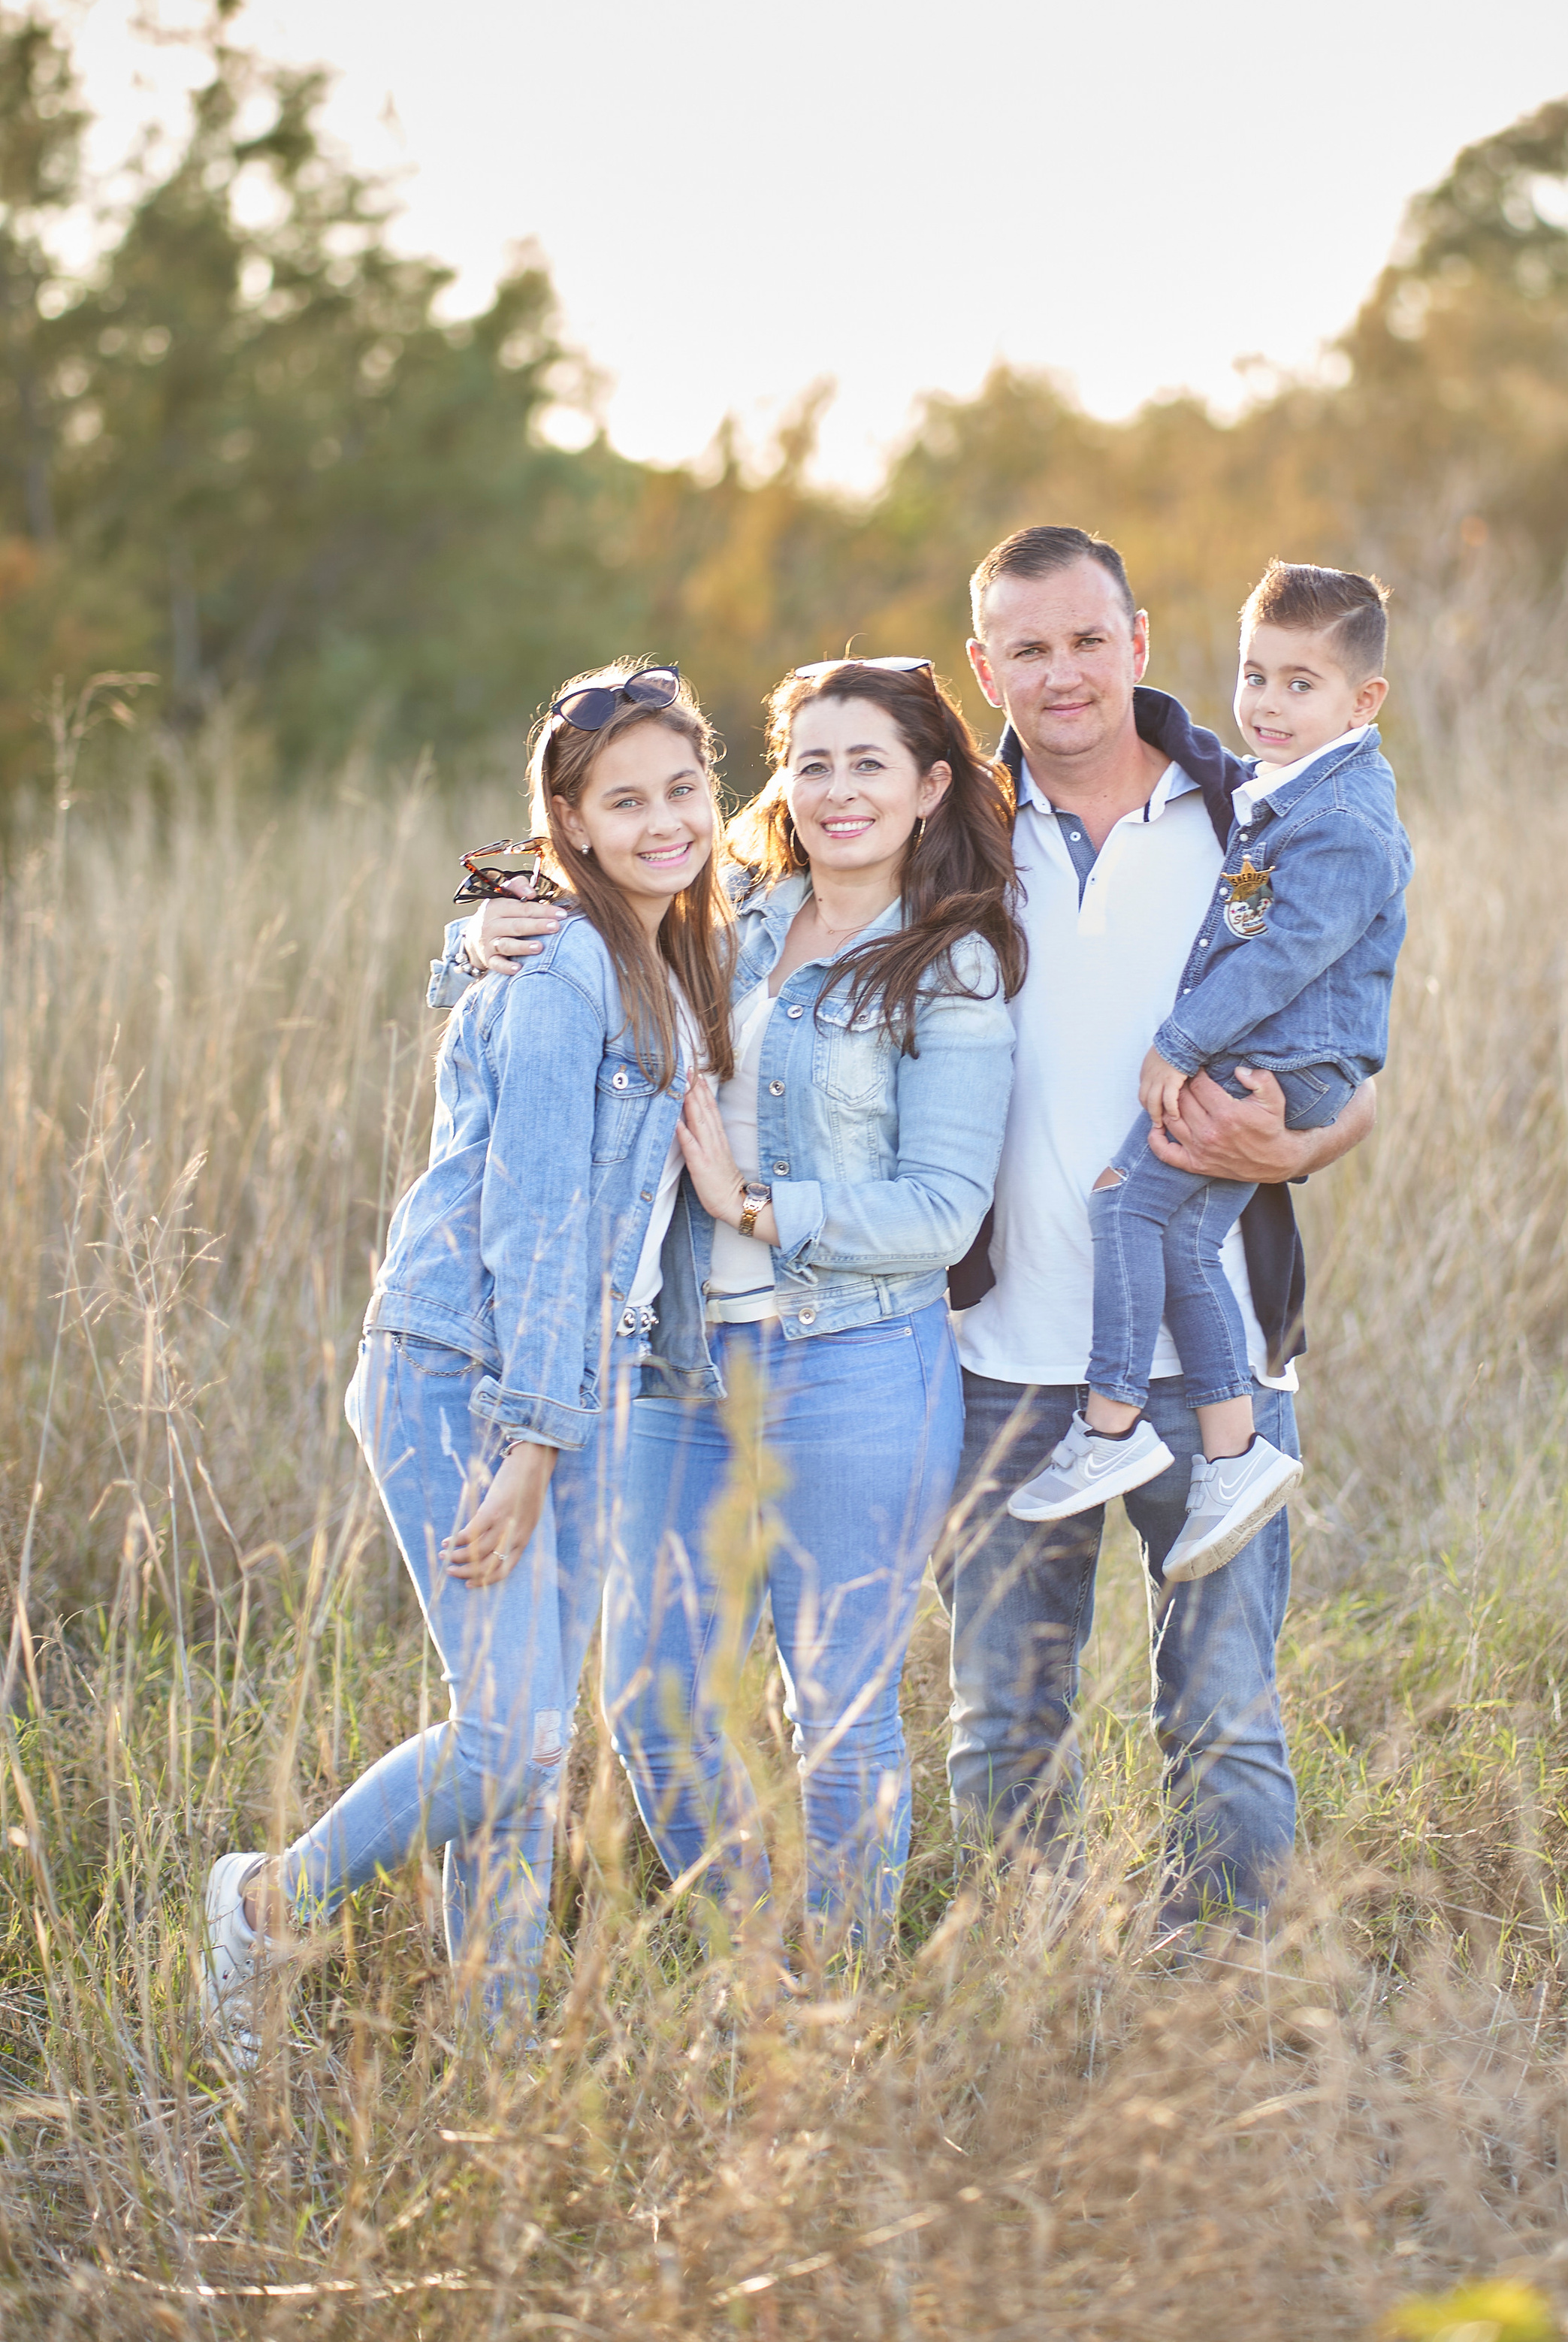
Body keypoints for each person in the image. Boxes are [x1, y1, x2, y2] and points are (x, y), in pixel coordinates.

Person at [200, 662, 735, 2063]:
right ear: (573, 821)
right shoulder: (567, 966)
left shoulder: (657, 946)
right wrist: (536, 1439)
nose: (666, 821)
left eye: (685, 789)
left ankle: (492, 2050)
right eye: (626, 801)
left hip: (576, 1376)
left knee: (527, 1739)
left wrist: (469, 928)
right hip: (468, 1371)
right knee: (509, 1737)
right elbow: (538, 1219)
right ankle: (261, 1907)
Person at [470, 660, 1022, 1956]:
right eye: (812, 763)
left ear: (930, 788)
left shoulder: (955, 965)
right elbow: (558, 876)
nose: (838, 790)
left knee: (838, 1708)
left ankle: (838, 1985)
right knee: (650, 1699)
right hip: (679, 1366)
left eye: (870, 763)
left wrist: (757, 1202)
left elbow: (946, 1211)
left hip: (857, 1363)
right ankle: (759, 1955)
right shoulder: (729, 912)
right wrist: (477, 925)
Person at [939, 524, 1376, 1938]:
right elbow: (729, 896)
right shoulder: (942, 837)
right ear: (985, 667)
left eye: (1087, 639)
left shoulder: (1260, 811)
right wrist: (499, 927)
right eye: (1028, 648)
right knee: (1005, 1723)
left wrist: (1299, 1144)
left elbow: (1352, 1061)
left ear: (1137, 641)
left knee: (1224, 1720)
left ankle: (1232, 2017)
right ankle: (1029, 2003)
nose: (1062, 673)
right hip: (1001, 1363)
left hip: (1217, 1360)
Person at [1006, 559, 1411, 1586]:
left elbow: (1291, 959)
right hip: (1007, 1343)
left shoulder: (1322, 815)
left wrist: (1182, 1045)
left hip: (1274, 1070)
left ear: (1364, 701)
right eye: (1255, 676)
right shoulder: (1282, 794)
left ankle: (1114, 1422)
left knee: (1122, 1203)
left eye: (1300, 684)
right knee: (1174, 1233)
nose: (1268, 704)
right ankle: (1233, 1454)